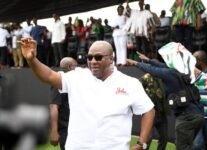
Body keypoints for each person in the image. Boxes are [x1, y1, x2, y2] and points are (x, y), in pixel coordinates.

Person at [18, 37, 155, 150]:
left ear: (111, 59)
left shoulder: (129, 83)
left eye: (98, 57)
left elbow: (148, 110)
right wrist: (31, 60)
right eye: (89, 57)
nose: (93, 61)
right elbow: (48, 76)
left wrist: (141, 143)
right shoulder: (77, 77)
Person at [126, 43, 204, 150]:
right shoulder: (181, 70)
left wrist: (136, 63)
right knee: (189, 146)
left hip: (186, 116)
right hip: (196, 114)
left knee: (182, 147)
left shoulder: (171, 74)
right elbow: (162, 66)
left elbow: (154, 70)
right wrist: (148, 60)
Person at [50, 57, 77, 150]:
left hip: (78, 127)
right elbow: (54, 106)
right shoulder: (59, 81)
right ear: (70, 67)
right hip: (66, 129)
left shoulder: (77, 81)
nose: (77, 69)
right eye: (75, 66)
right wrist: (54, 131)